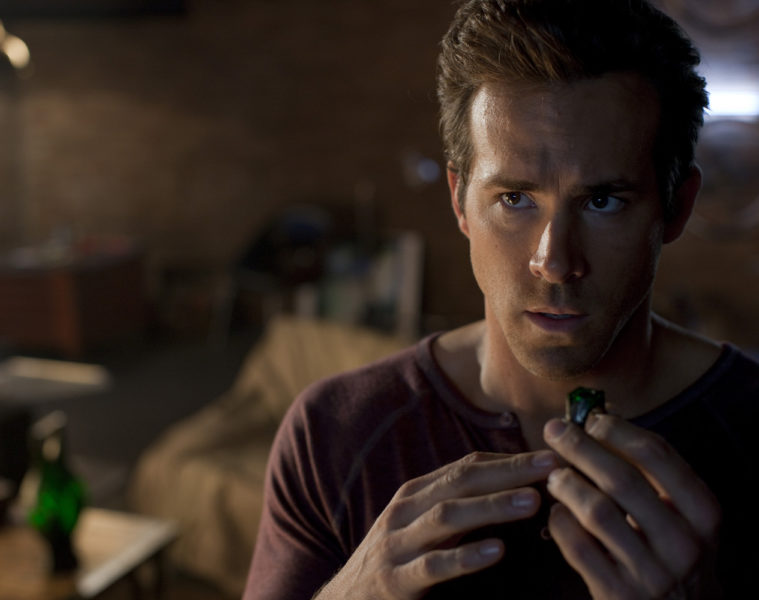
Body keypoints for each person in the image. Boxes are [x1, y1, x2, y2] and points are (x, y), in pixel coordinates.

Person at [243, 1, 758, 598]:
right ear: (459, 201)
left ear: (677, 207)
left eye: (603, 201)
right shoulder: (335, 433)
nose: (555, 262)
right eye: (515, 199)